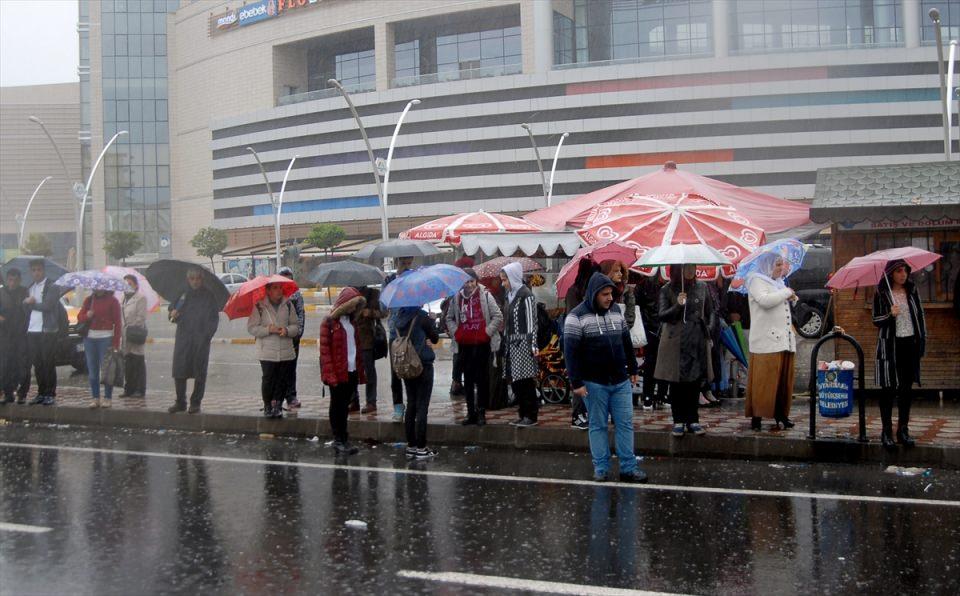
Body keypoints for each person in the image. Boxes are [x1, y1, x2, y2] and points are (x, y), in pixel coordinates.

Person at [565, 272, 647, 483]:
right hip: (594, 383)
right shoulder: (576, 317)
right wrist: (577, 383)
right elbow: (571, 353)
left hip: (620, 381)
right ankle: (601, 468)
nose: (610, 298)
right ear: (594, 294)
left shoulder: (616, 313)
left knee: (625, 424)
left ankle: (629, 467)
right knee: (598, 425)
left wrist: (633, 369)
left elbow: (625, 342)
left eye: (611, 293)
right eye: (605, 294)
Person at [655, 264, 715, 437]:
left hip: (697, 339)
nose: (690, 271)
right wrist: (678, 306)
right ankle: (678, 420)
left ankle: (693, 419)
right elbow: (662, 315)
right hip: (676, 340)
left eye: (692, 267)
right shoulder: (667, 289)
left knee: (695, 380)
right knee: (677, 382)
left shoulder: (702, 287)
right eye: (686, 268)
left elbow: (710, 311)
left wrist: (708, 329)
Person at [872, 259, 927, 449]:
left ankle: (903, 429)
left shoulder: (911, 291)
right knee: (888, 389)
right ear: (890, 274)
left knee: (906, 389)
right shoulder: (882, 293)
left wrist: (921, 342)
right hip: (890, 346)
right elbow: (876, 320)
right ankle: (886, 431)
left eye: (905, 271)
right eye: (898, 271)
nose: (903, 274)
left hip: (909, 344)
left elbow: (920, 316)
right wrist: (890, 315)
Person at [744, 254, 798, 432]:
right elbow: (765, 301)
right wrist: (786, 293)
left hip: (783, 339)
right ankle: (757, 416)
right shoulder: (756, 281)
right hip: (766, 340)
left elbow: (779, 300)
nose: (780, 268)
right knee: (764, 380)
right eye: (777, 264)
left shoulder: (778, 283)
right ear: (766, 265)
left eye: (782, 264)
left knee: (782, 379)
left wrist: (790, 296)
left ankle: (780, 414)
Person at [445, 267, 503, 426]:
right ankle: (470, 412)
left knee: (482, 380)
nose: (469, 285)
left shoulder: (485, 295)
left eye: (472, 281)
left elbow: (497, 316)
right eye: (466, 282)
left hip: (482, 344)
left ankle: (481, 412)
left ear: (476, 281)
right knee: (468, 380)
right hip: (464, 345)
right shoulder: (456, 298)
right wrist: (456, 333)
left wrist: (487, 332)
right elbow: (449, 318)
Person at [319, 287, 366, 454]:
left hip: (351, 370)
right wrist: (330, 374)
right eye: (353, 305)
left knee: (345, 406)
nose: (355, 308)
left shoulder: (351, 322)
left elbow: (356, 348)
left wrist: (360, 371)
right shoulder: (329, 322)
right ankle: (338, 439)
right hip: (337, 372)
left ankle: (344, 438)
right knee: (337, 405)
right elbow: (325, 352)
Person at [168, 268, 220, 414]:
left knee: (199, 371)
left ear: (201, 279)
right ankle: (180, 402)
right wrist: (173, 314)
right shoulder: (182, 293)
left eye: (197, 278)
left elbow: (214, 319)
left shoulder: (208, 295)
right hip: (183, 337)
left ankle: (195, 402)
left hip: (201, 339)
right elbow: (172, 315)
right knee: (179, 370)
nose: (195, 281)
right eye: (192, 279)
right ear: (188, 279)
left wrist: (206, 335)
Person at [390, 305, 440, 459]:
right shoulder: (422, 316)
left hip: (406, 365)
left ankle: (411, 445)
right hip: (423, 365)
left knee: (411, 403)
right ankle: (421, 448)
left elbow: (393, 339)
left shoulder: (397, 318)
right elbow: (435, 338)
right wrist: (432, 322)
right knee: (422, 406)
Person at [249, 281, 300, 419]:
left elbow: (296, 326)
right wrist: (268, 330)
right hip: (267, 351)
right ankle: (267, 405)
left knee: (282, 380)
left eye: (280, 288)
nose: (279, 291)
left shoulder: (288, 304)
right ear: (268, 291)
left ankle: (277, 405)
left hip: (285, 350)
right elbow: (252, 328)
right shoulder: (260, 306)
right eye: (275, 288)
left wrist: (287, 330)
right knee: (268, 379)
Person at [500, 262, 539, 427]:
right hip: (511, 343)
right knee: (515, 380)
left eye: (505, 280)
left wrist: (533, 344)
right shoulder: (509, 295)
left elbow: (532, 321)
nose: (503, 283)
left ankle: (531, 415)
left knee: (525, 381)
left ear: (513, 277)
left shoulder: (526, 295)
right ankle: (522, 414)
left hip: (524, 343)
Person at [23, 259, 62, 406]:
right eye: (33, 270)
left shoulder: (51, 286)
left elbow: (48, 306)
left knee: (48, 362)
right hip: (32, 329)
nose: (36, 273)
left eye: (39, 270)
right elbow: (24, 306)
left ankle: (50, 393)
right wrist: (26, 303)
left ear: (43, 270)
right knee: (37, 363)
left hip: (47, 330)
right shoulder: (30, 287)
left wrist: (31, 304)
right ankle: (41, 392)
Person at [78, 288, 122, 408]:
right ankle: (95, 397)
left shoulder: (113, 301)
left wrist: (116, 343)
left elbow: (118, 323)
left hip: (106, 338)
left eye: (101, 285)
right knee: (92, 370)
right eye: (96, 285)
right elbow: (80, 317)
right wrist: (87, 315)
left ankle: (107, 398)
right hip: (89, 339)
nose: (98, 288)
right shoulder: (89, 300)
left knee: (107, 369)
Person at [385, 256, 415, 421]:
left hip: (412, 331)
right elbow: (383, 306)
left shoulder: (416, 279)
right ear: (397, 263)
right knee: (396, 371)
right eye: (403, 263)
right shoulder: (389, 280)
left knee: (413, 369)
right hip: (395, 333)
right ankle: (398, 406)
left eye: (409, 263)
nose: (406, 266)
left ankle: (413, 405)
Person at [634, 275, 666, 410]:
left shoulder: (671, 285)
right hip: (651, 328)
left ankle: (661, 394)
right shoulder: (645, 285)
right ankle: (649, 395)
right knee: (651, 363)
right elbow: (639, 308)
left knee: (664, 362)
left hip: (662, 328)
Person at [352, 286, 385, 413]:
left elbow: (384, 313)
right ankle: (353, 401)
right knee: (352, 371)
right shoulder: (350, 293)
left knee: (369, 371)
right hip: (351, 339)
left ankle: (371, 401)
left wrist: (370, 313)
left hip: (367, 340)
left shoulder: (373, 294)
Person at [0, 268, 29, 404]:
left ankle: (22, 393)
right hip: (5, 334)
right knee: (6, 364)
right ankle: (8, 393)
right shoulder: (2, 293)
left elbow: (27, 311)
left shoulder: (24, 292)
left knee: (22, 365)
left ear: (20, 280)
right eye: (10, 279)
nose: (13, 282)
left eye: (15, 280)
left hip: (21, 333)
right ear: (7, 279)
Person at [278, 267, 305, 411]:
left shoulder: (296, 295)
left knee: (291, 368)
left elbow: (301, 315)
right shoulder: (274, 295)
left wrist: (298, 333)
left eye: (289, 278)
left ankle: (291, 397)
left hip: (292, 338)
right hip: (277, 338)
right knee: (277, 370)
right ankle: (277, 398)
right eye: (284, 278)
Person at [120, 275, 148, 398]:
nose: (127, 286)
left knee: (138, 361)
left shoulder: (141, 298)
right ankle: (129, 388)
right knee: (128, 362)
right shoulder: (122, 299)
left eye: (130, 284)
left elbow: (141, 318)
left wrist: (131, 327)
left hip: (135, 333)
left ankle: (139, 389)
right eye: (125, 284)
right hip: (125, 334)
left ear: (136, 285)